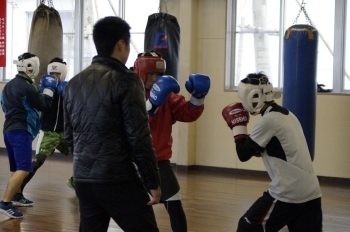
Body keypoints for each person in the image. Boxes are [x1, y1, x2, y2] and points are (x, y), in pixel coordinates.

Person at [63, 16, 161, 232]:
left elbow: (68, 137)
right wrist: (152, 181)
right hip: (118, 179)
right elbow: (138, 137)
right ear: (121, 44)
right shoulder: (126, 79)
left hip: (83, 179)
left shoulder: (73, 83)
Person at [221, 72, 323, 232]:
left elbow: (243, 154)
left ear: (253, 96)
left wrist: (237, 126)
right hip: (312, 192)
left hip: (288, 192)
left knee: (247, 227)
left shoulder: (268, 121)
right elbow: (270, 147)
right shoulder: (288, 114)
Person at [133, 51, 211, 232]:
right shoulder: (129, 91)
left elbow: (186, 113)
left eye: (158, 74)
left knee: (175, 206)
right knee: (136, 211)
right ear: (140, 71)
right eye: (150, 73)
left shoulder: (166, 93)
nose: (154, 79)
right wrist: (151, 104)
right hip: (132, 162)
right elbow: (132, 123)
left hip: (160, 160)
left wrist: (198, 97)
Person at [0, 52, 58, 219]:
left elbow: (4, 105)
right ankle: (5, 203)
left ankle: (17, 196)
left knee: (17, 167)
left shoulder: (9, 85)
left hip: (9, 131)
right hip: (21, 131)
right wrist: (49, 89)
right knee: (24, 168)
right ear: (32, 66)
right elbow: (45, 105)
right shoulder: (26, 87)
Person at [19, 57, 73, 203]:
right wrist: (45, 90)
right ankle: (18, 192)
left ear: (63, 74)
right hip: (48, 132)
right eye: (52, 74)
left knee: (82, 155)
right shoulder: (43, 87)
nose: (54, 77)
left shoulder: (68, 88)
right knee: (37, 162)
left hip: (64, 133)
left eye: (57, 74)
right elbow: (38, 104)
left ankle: (75, 182)